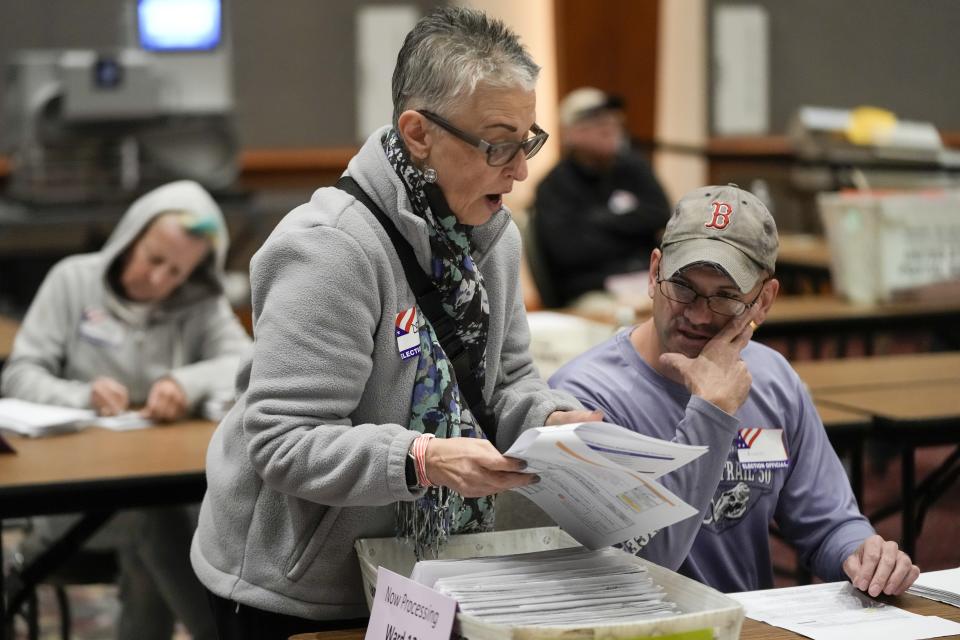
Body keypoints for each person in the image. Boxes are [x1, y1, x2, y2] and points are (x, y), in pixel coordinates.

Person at [190, 8, 595, 639]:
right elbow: (282, 441)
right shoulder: (330, 249)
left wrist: (552, 422)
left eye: (529, 140)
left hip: (421, 572)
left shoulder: (494, 239)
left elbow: (507, 380)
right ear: (418, 132)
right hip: (298, 589)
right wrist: (422, 459)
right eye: (497, 144)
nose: (519, 169)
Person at [549, 184, 920, 596]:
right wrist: (711, 410)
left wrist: (861, 552)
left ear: (764, 301)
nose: (697, 313)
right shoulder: (586, 398)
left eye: (725, 297)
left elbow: (829, 522)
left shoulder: (773, 378)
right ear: (655, 274)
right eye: (683, 287)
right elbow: (641, 565)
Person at [1, 179, 252, 640]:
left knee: (172, 525)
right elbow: (18, 375)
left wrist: (186, 382)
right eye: (154, 260)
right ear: (129, 237)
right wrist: (81, 395)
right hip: (73, 501)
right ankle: (217, 635)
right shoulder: (73, 280)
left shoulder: (198, 300)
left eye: (176, 272)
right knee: (156, 523)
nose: (160, 281)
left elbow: (247, 362)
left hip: (161, 492)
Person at [532, 87, 670, 307]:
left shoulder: (632, 167)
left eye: (612, 118)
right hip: (592, 290)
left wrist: (600, 220)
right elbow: (570, 252)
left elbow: (660, 214)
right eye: (595, 120)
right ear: (571, 133)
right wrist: (633, 229)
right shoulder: (554, 186)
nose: (609, 125)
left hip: (644, 278)